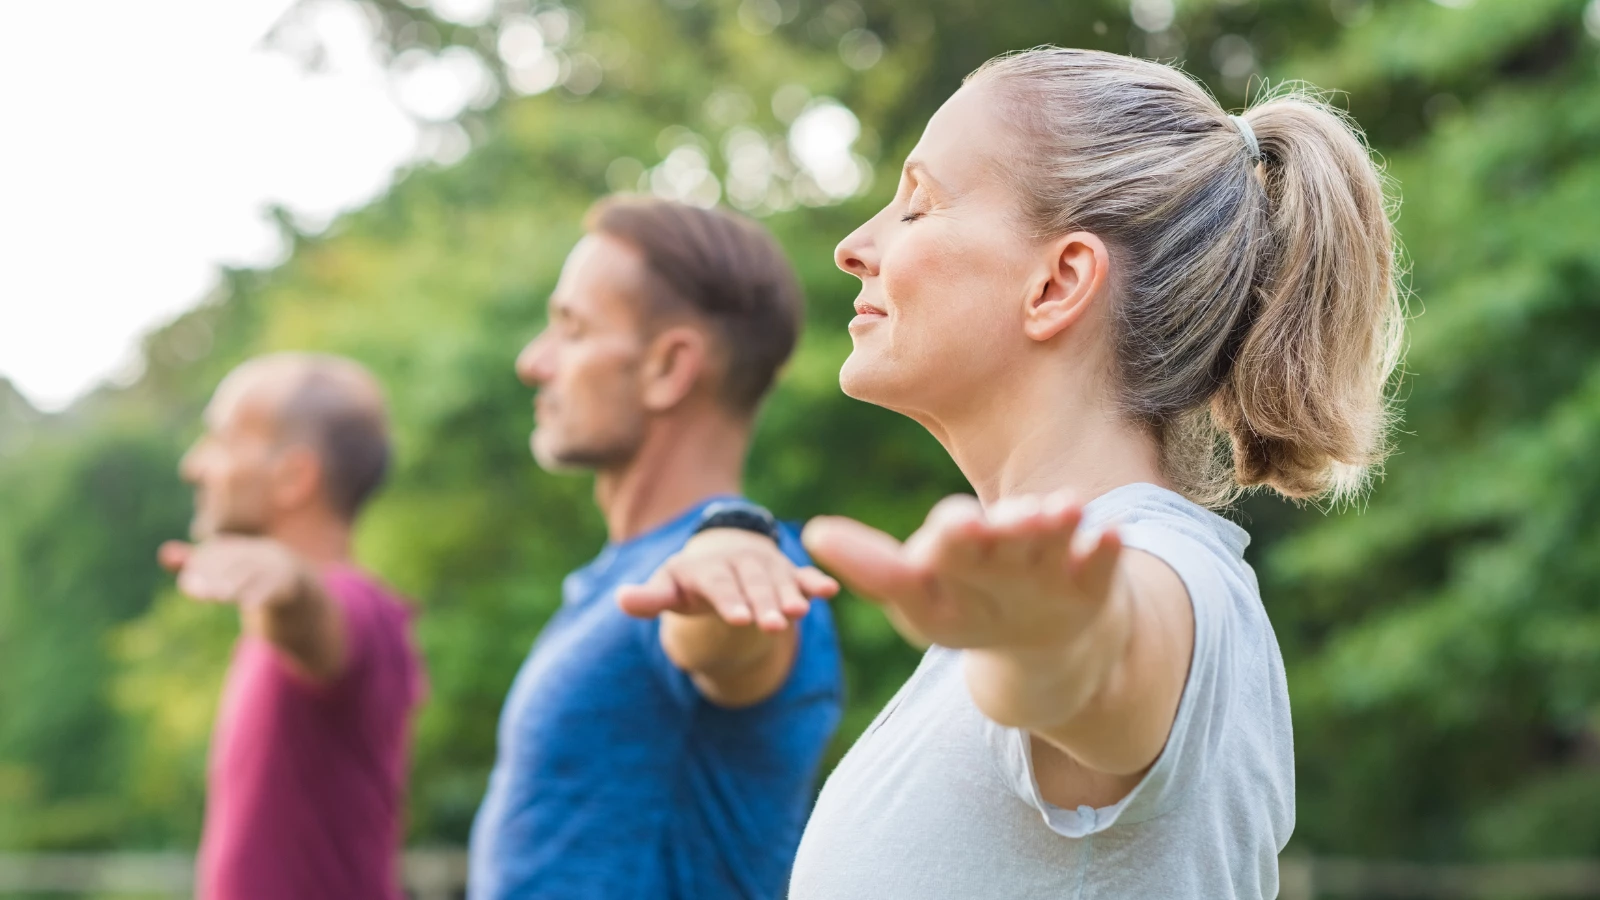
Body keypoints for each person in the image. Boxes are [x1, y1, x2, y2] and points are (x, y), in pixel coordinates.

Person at [658, 47, 1404, 898]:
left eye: (918, 204)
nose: (852, 247)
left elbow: (1110, 661)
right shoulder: (1023, 610)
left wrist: (1052, 642)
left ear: (1057, 283)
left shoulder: (1158, 577)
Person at [467, 196, 845, 899]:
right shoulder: (622, 580)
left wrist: (726, 566)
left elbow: (724, 636)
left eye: (571, 330)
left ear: (668, 367)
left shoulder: (746, 578)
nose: (533, 362)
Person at [159, 353, 425, 900]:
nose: (194, 465)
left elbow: (315, 618)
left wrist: (290, 580)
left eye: (223, 440)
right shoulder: (268, 632)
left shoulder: (361, 610)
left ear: (293, 476)